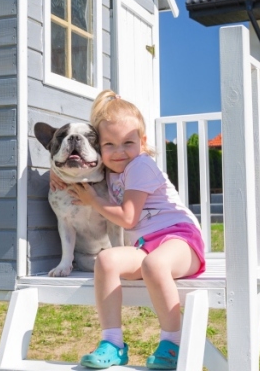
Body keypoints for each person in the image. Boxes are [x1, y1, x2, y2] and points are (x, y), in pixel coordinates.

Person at [49, 90, 206, 369]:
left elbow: (129, 218)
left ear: (142, 143)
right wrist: (56, 172)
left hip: (180, 239)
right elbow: (75, 165)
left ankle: (172, 344)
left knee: (155, 265)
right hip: (145, 246)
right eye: (109, 144)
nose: (119, 152)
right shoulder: (111, 170)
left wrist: (94, 200)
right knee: (107, 260)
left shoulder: (141, 166)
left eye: (128, 143)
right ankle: (112, 343)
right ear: (99, 149)